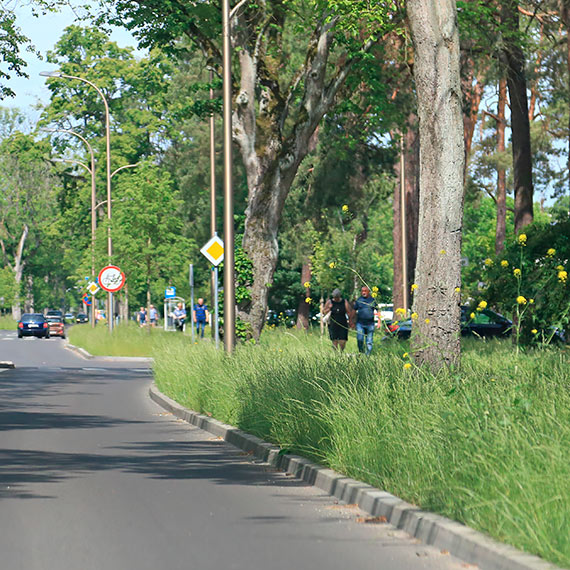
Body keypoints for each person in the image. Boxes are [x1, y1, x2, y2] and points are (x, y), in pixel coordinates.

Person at [353, 285, 377, 355]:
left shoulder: (373, 300)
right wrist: (352, 322)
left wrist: (379, 322)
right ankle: (361, 352)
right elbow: (354, 311)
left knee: (369, 341)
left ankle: (368, 355)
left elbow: (378, 310)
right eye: (362, 291)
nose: (363, 292)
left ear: (369, 292)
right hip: (360, 324)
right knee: (360, 339)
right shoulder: (359, 300)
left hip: (370, 324)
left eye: (365, 291)